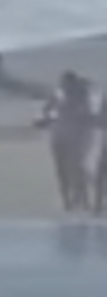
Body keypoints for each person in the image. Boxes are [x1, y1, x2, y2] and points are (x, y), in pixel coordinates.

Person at [40, 71, 94, 213]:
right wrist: (48, 118)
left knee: (76, 169)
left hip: (74, 138)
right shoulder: (58, 95)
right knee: (62, 171)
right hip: (59, 137)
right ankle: (68, 202)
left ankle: (82, 200)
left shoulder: (80, 96)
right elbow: (46, 111)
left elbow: (84, 115)